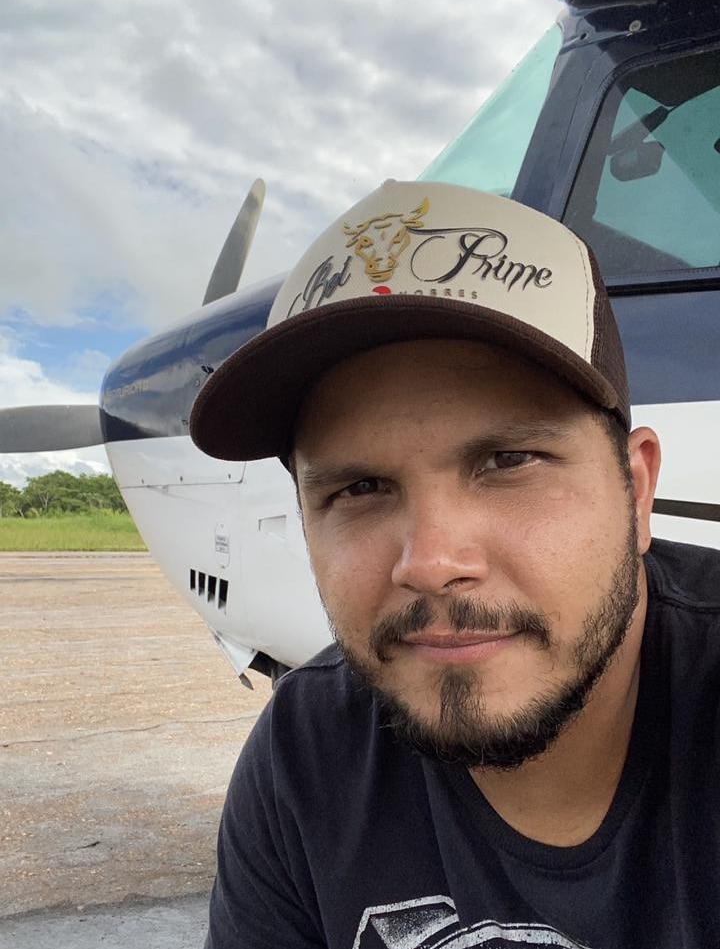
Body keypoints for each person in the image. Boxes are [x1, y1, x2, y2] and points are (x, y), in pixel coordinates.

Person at [190, 181, 720, 948]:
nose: (432, 562)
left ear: (636, 491)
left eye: (509, 460)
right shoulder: (306, 758)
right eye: (360, 487)